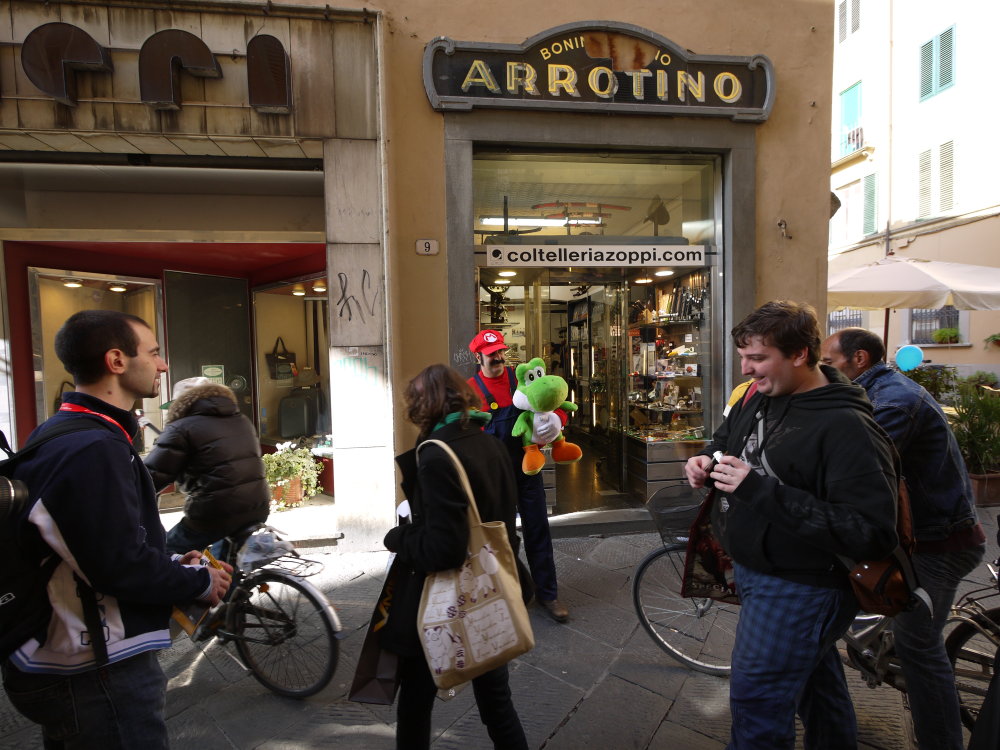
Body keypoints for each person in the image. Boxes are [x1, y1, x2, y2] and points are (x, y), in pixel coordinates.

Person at [1, 310, 231, 749]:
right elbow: (117, 565)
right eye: (154, 352)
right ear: (117, 361)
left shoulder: (64, 432)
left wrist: (170, 561)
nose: (163, 364)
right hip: (95, 671)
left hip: (74, 664)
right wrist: (199, 581)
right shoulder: (93, 447)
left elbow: (92, 543)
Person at [684, 300, 898, 750]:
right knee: (816, 686)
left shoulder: (846, 425)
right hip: (761, 572)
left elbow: (871, 532)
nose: (746, 369)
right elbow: (725, 440)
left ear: (800, 354)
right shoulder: (758, 395)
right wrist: (705, 458)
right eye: (743, 356)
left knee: (757, 701)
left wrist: (757, 490)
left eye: (758, 358)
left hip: (802, 587)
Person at [821, 327, 986, 750]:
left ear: (859, 359)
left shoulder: (893, 401)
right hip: (920, 535)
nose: (823, 369)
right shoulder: (872, 392)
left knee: (919, 650)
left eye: (829, 362)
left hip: (939, 541)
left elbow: (859, 469)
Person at [381, 364, 528, 750]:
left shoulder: (436, 454)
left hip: (448, 598)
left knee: (415, 704)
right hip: (491, 591)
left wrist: (399, 537)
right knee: (498, 705)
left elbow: (442, 549)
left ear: (422, 406)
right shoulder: (490, 442)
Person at [467, 330, 570, 623]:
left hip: (528, 468)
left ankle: (548, 594)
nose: (498, 357)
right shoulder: (470, 391)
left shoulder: (522, 378)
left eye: (501, 351)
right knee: (501, 538)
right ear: (478, 357)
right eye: (492, 354)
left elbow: (554, 402)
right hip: (495, 477)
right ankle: (508, 595)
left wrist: (555, 422)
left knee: (538, 529)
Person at [145, 376, 270, 556]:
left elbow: (149, 477)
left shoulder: (180, 428)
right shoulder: (241, 420)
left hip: (216, 512)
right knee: (224, 563)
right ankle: (226, 574)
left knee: (164, 553)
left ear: (180, 403)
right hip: (257, 505)